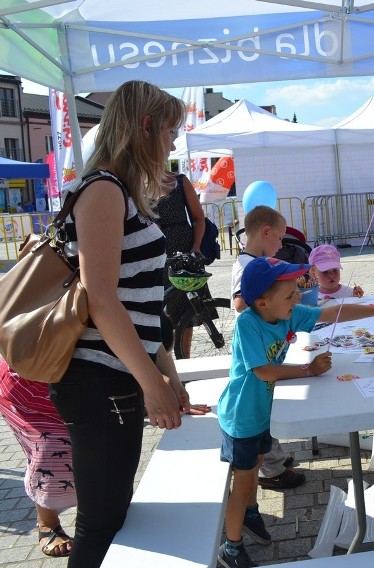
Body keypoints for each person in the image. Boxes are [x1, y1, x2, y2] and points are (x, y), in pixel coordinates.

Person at [48, 80, 207, 567]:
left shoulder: (121, 192)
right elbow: (102, 302)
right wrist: (151, 383)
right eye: (171, 131)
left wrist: (169, 375)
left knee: (112, 517)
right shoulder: (103, 190)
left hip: (114, 375)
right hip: (98, 378)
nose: (175, 143)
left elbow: (140, 303)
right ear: (145, 126)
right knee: (101, 524)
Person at [216, 256, 374, 568]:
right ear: (262, 302)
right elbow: (264, 371)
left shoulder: (285, 314)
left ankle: (250, 513)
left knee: (256, 465)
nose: (298, 297)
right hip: (242, 417)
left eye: (297, 291)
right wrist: (308, 370)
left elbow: (333, 312)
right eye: (290, 294)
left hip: (263, 412)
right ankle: (230, 546)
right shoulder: (248, 323)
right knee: (242, 481)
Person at [230, 204, 306, 490]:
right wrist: (271, 301)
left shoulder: (249, 262)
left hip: (260, 344)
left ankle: (275, 459)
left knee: (266, 406)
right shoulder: (250, 265)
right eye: (280, 237)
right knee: (261, 409)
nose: (281, 245)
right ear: (265, 232)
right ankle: (272, 469)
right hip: (255, 350)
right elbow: (240, 302)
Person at [0, 357, 75, 557]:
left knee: (103, 446)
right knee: (49, 447)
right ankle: (47, 522)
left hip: (88, 378)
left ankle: (99, 510)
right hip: (26, 381)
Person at [153, 170, 209, 356]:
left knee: (187, 308)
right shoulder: (134, 181)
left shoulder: (179, 181)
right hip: (154, 253)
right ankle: (165, 359)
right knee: (160, 308)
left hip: (183, 251)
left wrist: (196, 247)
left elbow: (198, 218)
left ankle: (185, 359)